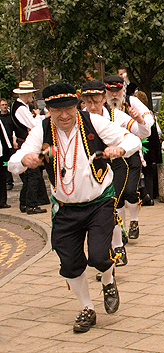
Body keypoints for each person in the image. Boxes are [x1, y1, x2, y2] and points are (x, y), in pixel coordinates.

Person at [8, 82, 141, 333]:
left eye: (69, 108)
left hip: (99, 202)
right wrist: (24, 160)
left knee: (100, 256)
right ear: (47, 109)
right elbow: (16, 160)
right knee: (69, 263)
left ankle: (109, 281)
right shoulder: (42, 128)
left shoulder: (93, 122)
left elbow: (132, 139)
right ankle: (87, 308)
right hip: (65, 208)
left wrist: (119, 148)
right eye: (57, 111)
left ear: (77, 106)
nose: (64, 115)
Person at [81, 80, 151, 267]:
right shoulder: (78, 120)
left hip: (116, 166)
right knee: (100, 213)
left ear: (103, 99)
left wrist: (139, 120)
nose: (93, 106)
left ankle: (115, 249)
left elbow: (142, 133)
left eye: (96, 101)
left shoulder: (116, 115)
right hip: (91, 170)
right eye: (88, 102)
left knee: (109, 205)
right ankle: (113, 248)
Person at [105, 75, 155, 239]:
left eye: (117, 90)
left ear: (123, 89)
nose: (114, 94)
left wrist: (139, 119)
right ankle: (122, 229)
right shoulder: (102, 108)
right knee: (116, 195)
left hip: (131, 153)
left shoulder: (131, 102)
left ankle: (134, 220)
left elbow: (148, 119)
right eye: (110, 91)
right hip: (112, 157)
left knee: (130, 192)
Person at [10, 81, 47, 214]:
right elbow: (32, 124)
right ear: (27, 93)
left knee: (30, 176)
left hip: (25, 141)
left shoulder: (21, 106)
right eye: (31, 93)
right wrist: (41, 116)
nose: (32, 95)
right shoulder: (20, 108)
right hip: (25, 143)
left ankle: (24, 204)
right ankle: (31, 205)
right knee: (33, 175)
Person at [133, 90, 162, 205]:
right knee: (148, 171)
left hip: (142, 146)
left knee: (138, 171)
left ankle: (141, 196)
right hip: (150, 147)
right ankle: (149, 196)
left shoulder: (138, 115)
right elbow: (158, 131)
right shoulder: (150, 114)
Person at [0, 98, 15, 190]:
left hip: (12, 142)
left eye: (6, 104)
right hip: (3, 144)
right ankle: (9, 180)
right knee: (5, 163)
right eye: (2, 105)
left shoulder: (11, 116)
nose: (4, 106)